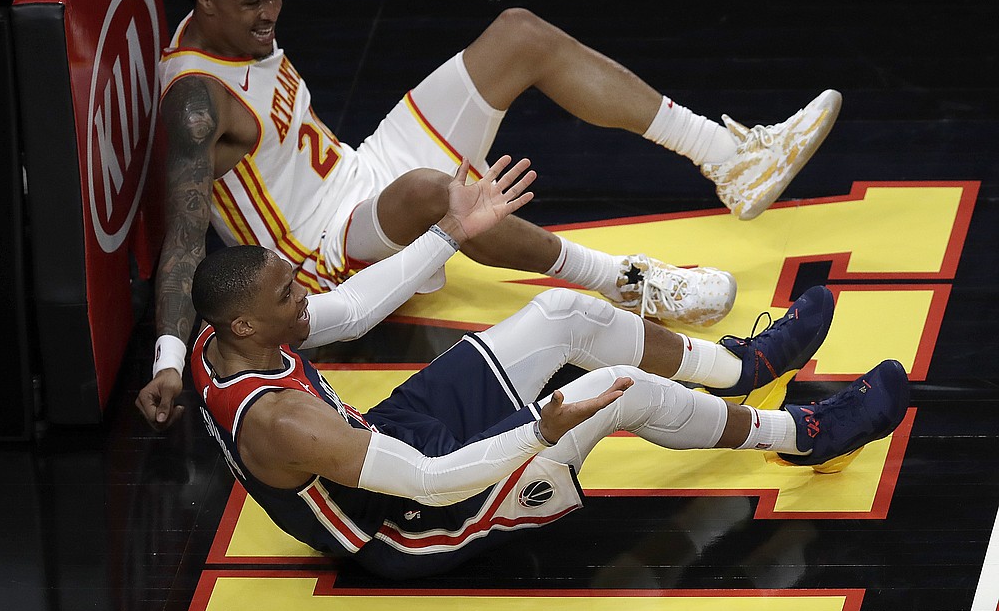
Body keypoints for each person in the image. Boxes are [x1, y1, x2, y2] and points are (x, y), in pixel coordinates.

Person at [138, 0, 842, 430]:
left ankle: (732, 163)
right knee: (429, 194)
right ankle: (633, 283)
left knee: (518, 34)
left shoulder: (236, 25)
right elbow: (183, 240)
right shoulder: (196, 104)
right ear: (204, 1)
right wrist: (169, 358)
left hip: (359, 172)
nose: (270, 15)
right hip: (317, 256)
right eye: (253, 3)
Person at [188, 158, 908, 579]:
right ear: (248, 323)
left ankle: (735, 366)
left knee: (568, 316)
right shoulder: (283, 422)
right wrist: (539, 428)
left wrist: (450, 233)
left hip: (384, 441)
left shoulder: (220, 341)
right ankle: (803, 432)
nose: (303, 295)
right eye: (288, 293)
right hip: (409, 522)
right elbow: (431, 480)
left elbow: (346, 310)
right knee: (607, 394)